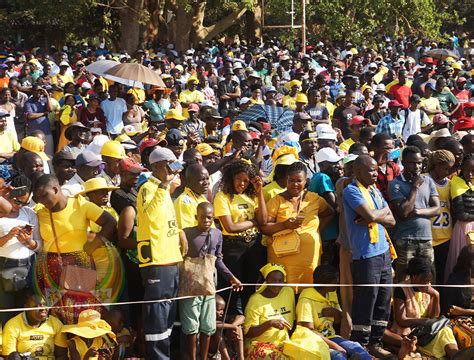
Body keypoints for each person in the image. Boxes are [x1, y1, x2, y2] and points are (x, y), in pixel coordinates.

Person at [33, 174, 117, 324]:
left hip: (80, 263)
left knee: (82, 312)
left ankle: (83, 345)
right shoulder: (40, 212)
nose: (42, 200)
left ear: (55, 189)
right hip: (51, 266)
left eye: (44, 195)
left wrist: (94, 245)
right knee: (57, 313)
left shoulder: (80, 205)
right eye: (38, 197)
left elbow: (110, 222)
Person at [343, 155, 396, 359]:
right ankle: (360, 346)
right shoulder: (352, 190)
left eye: (376, 170)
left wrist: (374, 215)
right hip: (366, 255)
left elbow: (389, 219)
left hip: (383, 251)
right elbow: (374, 216)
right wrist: (375, 215)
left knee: (384, 298)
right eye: (370, 170)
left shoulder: (374, 189)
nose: (375, 173)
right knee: (367, 299)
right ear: (357, 171)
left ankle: (375, 342)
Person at [136, 147, 184, 359]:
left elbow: (167, 220)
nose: (173, 168)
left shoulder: (165, 191)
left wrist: (180, 233)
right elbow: (151, 216)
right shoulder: (147, 188)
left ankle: (168, 353)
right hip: (156, 258)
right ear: (157, 166)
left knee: (169, 312)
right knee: (157, 313)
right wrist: (164, 185)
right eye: (169, 163)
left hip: (171, 258)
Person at [180, 202, 241, 360]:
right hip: (189, 285)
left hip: (208, 285)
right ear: (196, 217)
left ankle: (204, 357)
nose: (206, 220)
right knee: (191, 326)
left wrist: (230, 277)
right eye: (202, 217)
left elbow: (218, 260)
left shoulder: (216, 234)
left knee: (208, 325)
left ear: (213, 217)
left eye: (209, 217)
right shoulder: (186, 233)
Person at [262, 161, 334, 287]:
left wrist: (315, 231)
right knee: (284, 292)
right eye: (291, 180)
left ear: (305, 181)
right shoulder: (276, 201)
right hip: (282, 259)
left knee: (307, 290)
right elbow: (264, 228)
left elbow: (329, 213)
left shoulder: (314, 199)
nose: (295, 184)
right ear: (286, 181)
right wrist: (285, 225)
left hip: (309, 260)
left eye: (299, 180)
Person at [214, 159, 267, 315]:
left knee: (251, 286)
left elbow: (263, 220)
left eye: (246, 181)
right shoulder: (222, 197)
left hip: (253, 246)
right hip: (233, 247)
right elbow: (230, 227)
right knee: (234, 287)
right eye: (239, 179)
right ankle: (232, 322)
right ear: (231, 178)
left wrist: (260, 192)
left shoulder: (252, 196)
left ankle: (247, 320)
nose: (242, 184)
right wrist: (253, 221)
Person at [297, 265, 372, 360]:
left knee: (361, 352)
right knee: (339, 357)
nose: (337, 284)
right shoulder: (306, 299)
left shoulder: (331, 293)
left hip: (331, 336)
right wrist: (335, 346)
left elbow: (338, 321)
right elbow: (309, 331)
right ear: (326, 283)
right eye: (335, 282)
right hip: (314, 341)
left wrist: (335, 312)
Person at [391, 256, 459, 359]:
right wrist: (425, 322)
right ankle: (456, 355)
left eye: (428, 281)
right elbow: (401, 320)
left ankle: (456, 354)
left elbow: (434, 316)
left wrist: (436, 296)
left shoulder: (429, 288)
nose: (426, 284)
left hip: (428, 329)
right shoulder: (402, 289)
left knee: (444, 330)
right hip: (411, 333)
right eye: (423, 281)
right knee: (442, 332)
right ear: (414, 276)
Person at [388, 146, 440, 281]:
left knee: (427, 278)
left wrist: (417, 211)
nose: (417, 166)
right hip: (405, 239)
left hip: (426, 238)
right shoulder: (395, 184)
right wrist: (415, 187)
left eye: (419, 163)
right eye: (412, 162)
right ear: (403, 162)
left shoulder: (428, 181)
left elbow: (436, 209)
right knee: (403, 279)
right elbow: (404, 212)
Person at [0, 175, 41, 324]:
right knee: (5, 312)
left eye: (26, 202)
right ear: (9, 194)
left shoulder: (29, 214)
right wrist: (9, 235)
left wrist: (29, 242)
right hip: (3, 267)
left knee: (24, 313)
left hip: (27, 266)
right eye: (17, 201)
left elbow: (39, 244)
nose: (20, 206)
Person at [243, 263, 294, 359]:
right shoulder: (255, 300)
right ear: (266, 280)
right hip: (258, 345)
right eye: (273, 280)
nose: (277, 284)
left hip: (284, 344)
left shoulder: (288, 292)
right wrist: (269, 323)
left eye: (280, 280)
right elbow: (248, 333)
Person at [2, 292, 68, 359]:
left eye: (44, 305)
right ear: (26, 308)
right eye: (36, 306)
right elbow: (9, 357)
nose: (43, 309)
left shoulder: (55, 323)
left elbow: (62, 355)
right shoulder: (12, 325)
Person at [426, 150, 455, 284]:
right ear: (436, 165)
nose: (448, 172)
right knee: (430, 276)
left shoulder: (449, 184)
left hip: (445, 236)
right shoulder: (424, 180)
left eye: (450, 169)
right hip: (429, 236)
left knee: (443, 274)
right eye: (445, 168)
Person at [309, 148, 343, 266]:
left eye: (338, 162)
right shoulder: (323, 177)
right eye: (333, 164)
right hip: (328, 234)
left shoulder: (316, 176)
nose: (338, 166)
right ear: (322, 165)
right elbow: (333, 204)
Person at [444, 154, 474, 282]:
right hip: (464, 228)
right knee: (464, 262)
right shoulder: (456, 183)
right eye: (468, 170)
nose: (471, 174)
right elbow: (461, 214)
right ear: (462, 168)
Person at [174, 164, 210, 229]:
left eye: (207, 179)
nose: (206, 183)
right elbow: (186, 231)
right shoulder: (183, 202)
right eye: (201, 180)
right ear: (189, 181)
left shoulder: (202, 198)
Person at [442, 245, 473, 316]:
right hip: (460, 320)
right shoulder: (454, 280)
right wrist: (471, 312)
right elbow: (449, 309)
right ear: (468, 262)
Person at [24, 85, 54, 155]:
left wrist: (47, 95)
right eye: (37, 90)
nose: (39, 92)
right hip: (34, 134)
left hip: (46, 132)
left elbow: (50, 109)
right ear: (32, 91)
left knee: (48, 155)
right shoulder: (28, 103)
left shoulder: (44, 100)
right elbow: (30, 116)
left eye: (40, 90)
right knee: (35, 154)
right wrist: (44, 113)